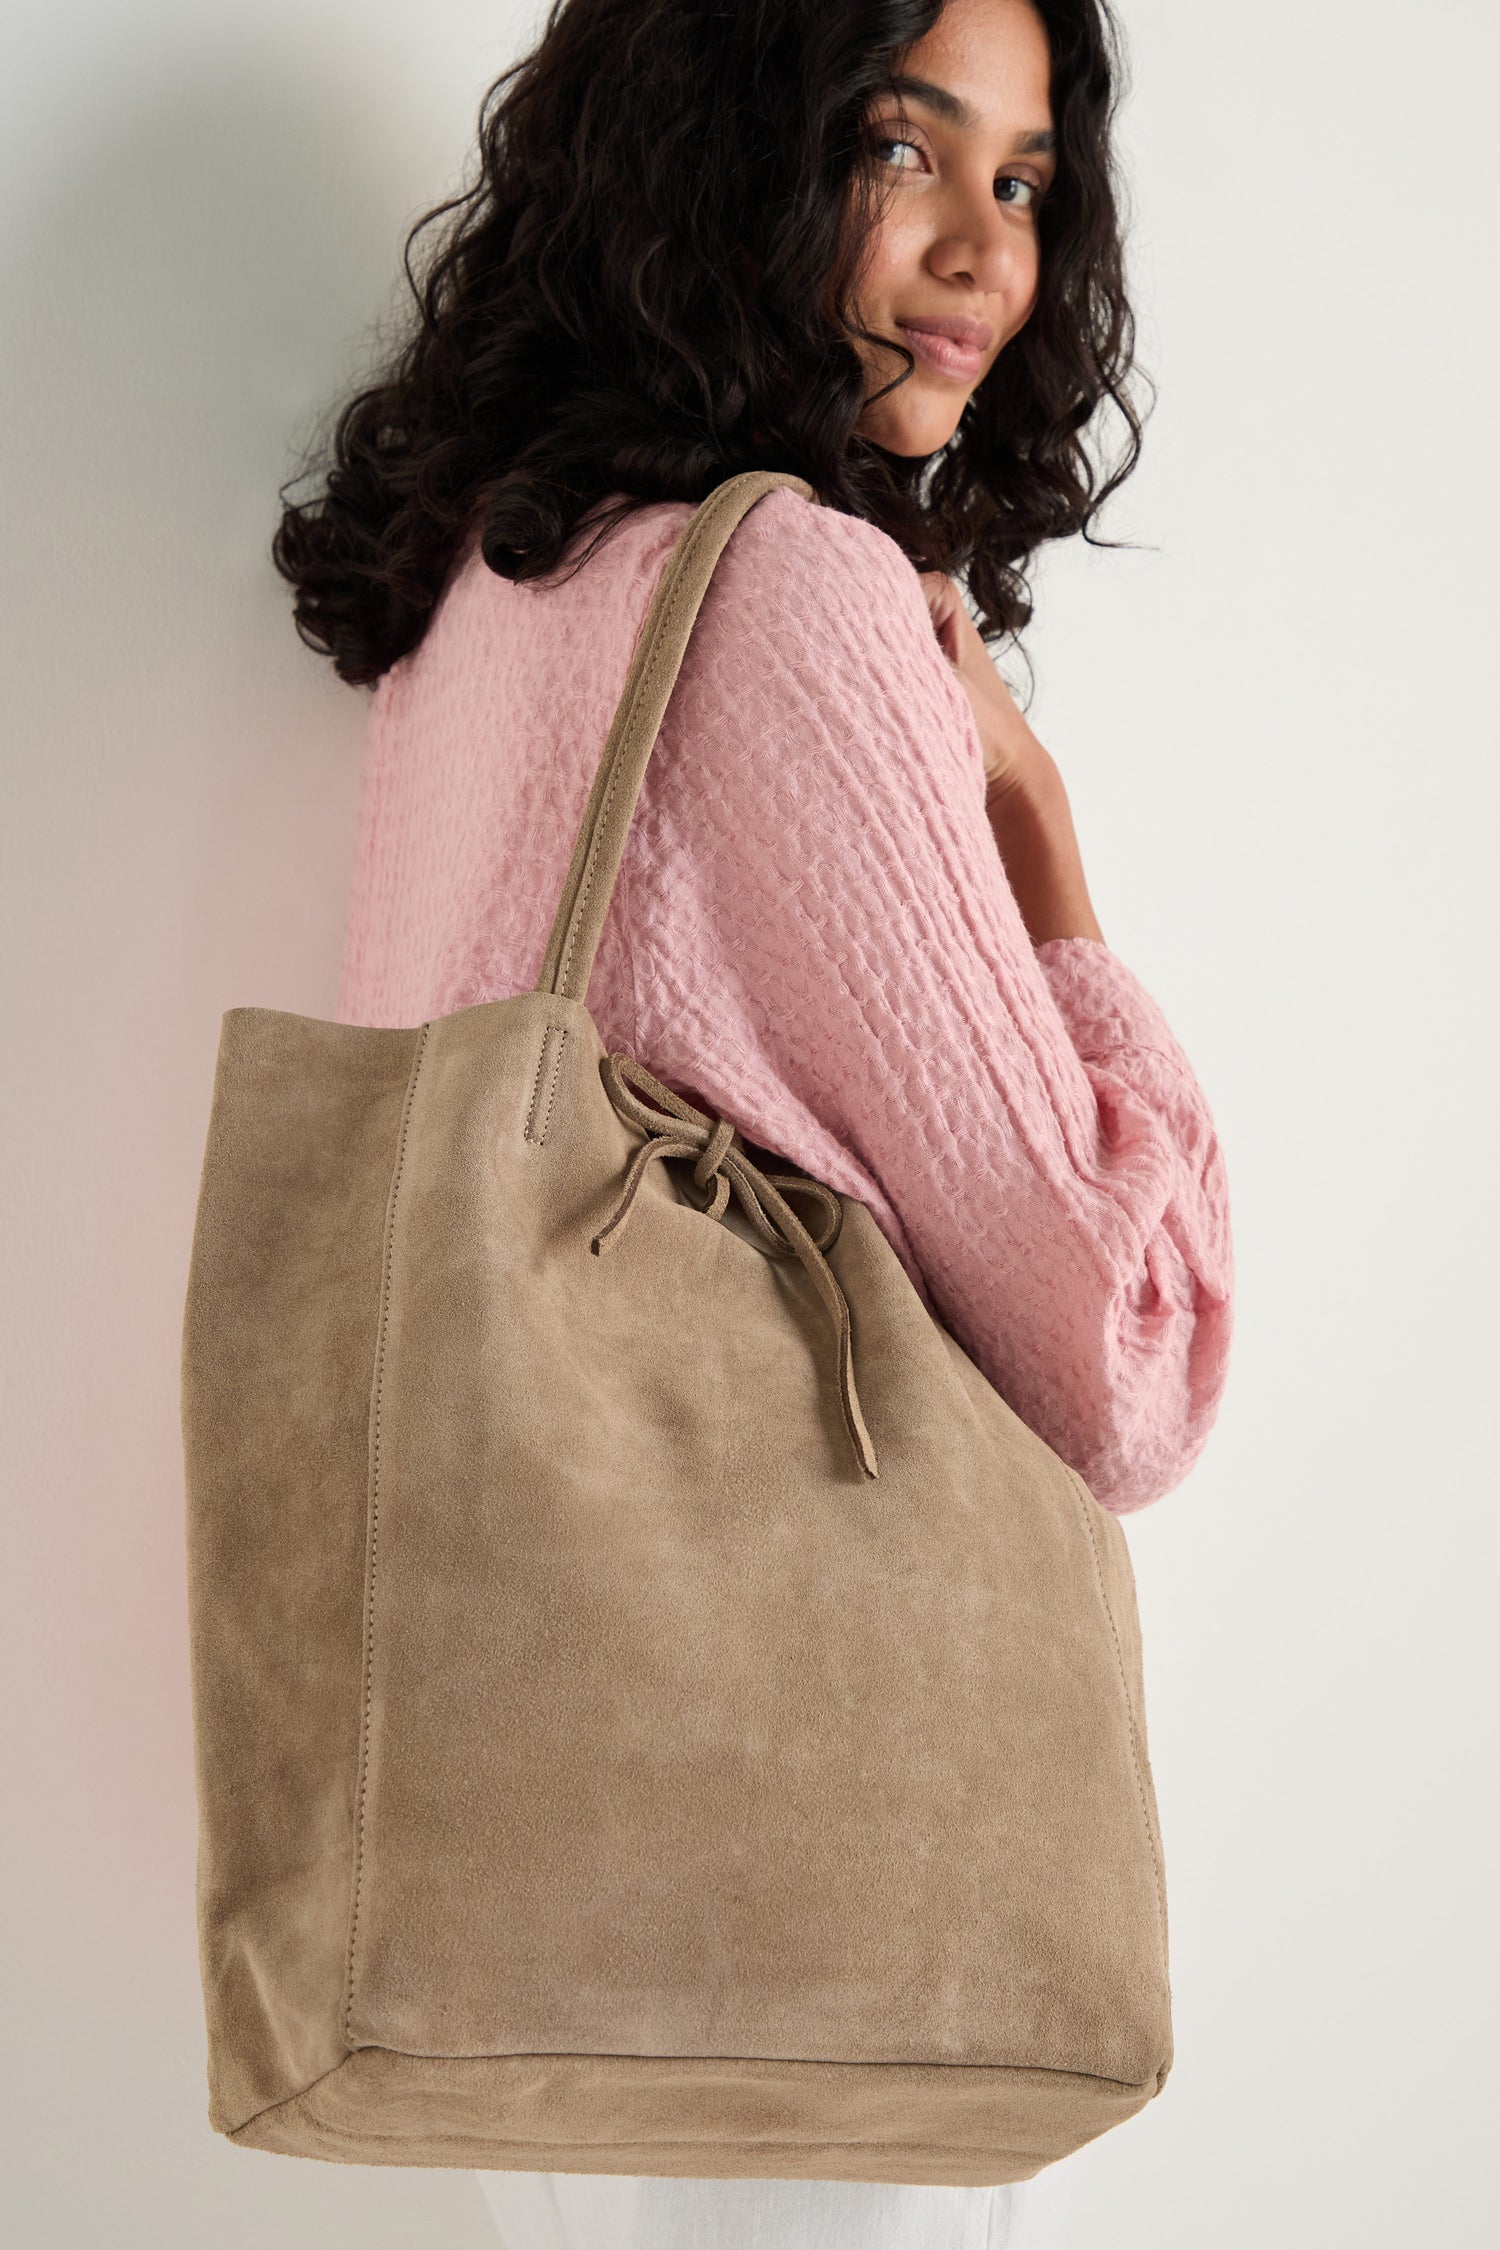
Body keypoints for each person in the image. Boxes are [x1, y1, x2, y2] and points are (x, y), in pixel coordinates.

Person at [273, 0, 1234, 2240]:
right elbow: (1127, 1364)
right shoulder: (791, 586)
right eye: (900, 148)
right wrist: (1043, 833)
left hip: (505, 1857)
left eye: (1021, 181)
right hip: (800, 1900)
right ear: (727, 151)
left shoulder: (485, 603)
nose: (980, 257)